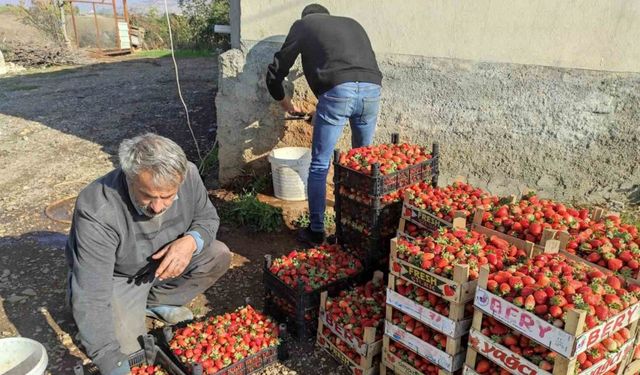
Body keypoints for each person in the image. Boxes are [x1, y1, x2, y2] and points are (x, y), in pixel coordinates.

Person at [65, 133, 232, 375]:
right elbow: (92, 291)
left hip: (161, 265)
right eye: (147, 195)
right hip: (119, 278)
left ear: (180, 179)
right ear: (128, 177)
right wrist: (108, 356)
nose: (157, 206)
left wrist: (190, 242)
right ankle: (87, 299)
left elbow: (207, 218)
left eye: (167, 196)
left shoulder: (190, 175)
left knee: (218, 254)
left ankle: (155, 302)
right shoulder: (98, 209)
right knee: (130, 354)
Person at [266, 3, 383, 245]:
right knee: (361, 162)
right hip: (372, 91)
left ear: (307, 16)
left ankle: (317, 231)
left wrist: (285, 103)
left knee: (319, 165)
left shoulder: (304, 25)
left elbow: (276, 73)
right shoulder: (352, 23)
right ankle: (360, 227)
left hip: (338, 92)